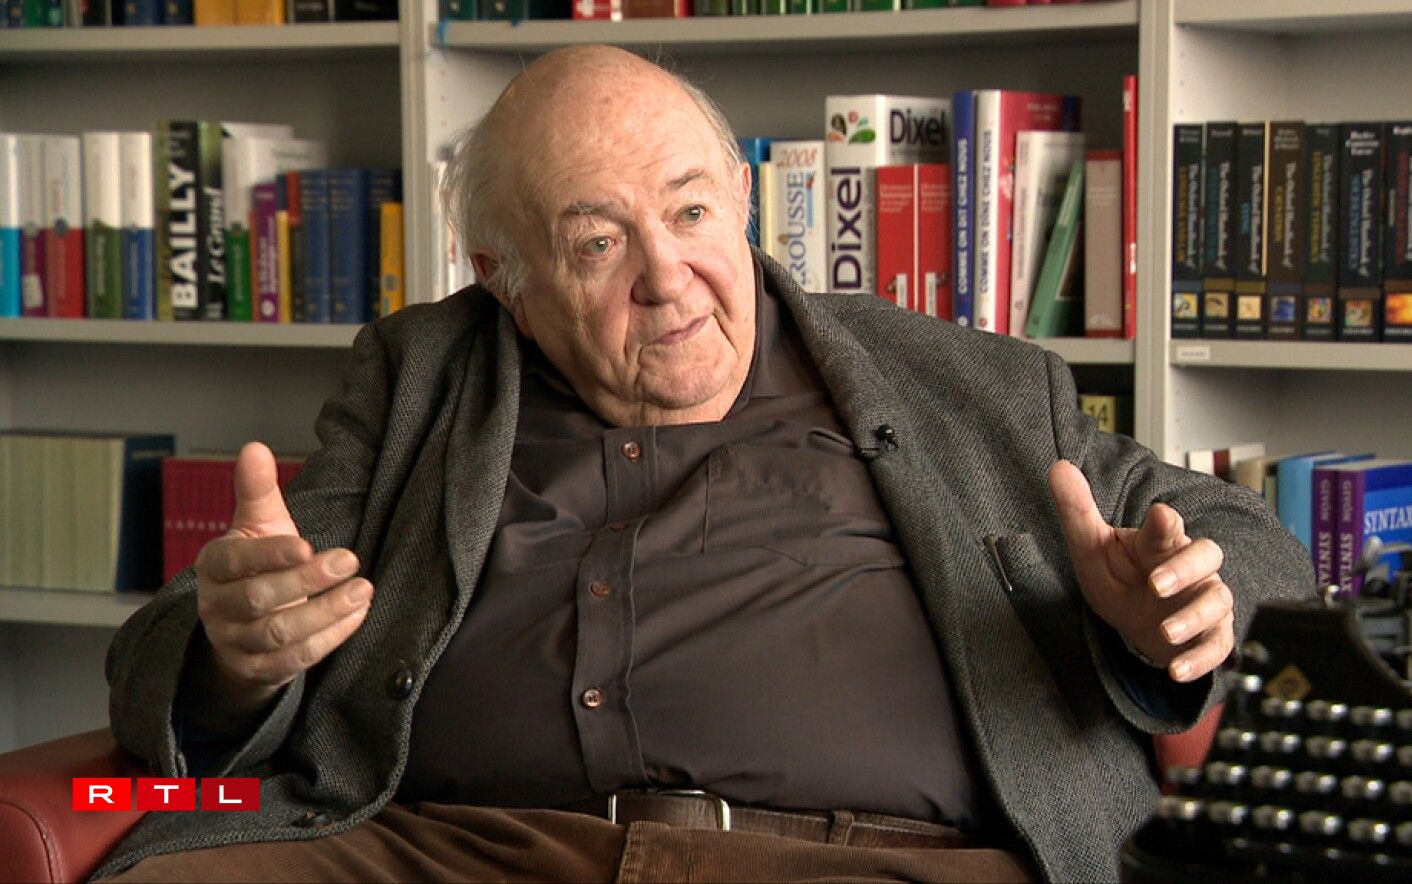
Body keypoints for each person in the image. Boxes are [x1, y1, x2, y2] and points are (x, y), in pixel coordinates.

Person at [97, 45, 1313, 882]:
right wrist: (235, 655)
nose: (665, 276)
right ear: (504, 278)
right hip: (456, 849)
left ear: (741, 199)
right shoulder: (420, 375)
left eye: (688, 212)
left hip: (862, 861)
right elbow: (194, 639)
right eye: (595, 241)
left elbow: (1253, 544)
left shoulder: (969, 385)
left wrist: (1175, 608)